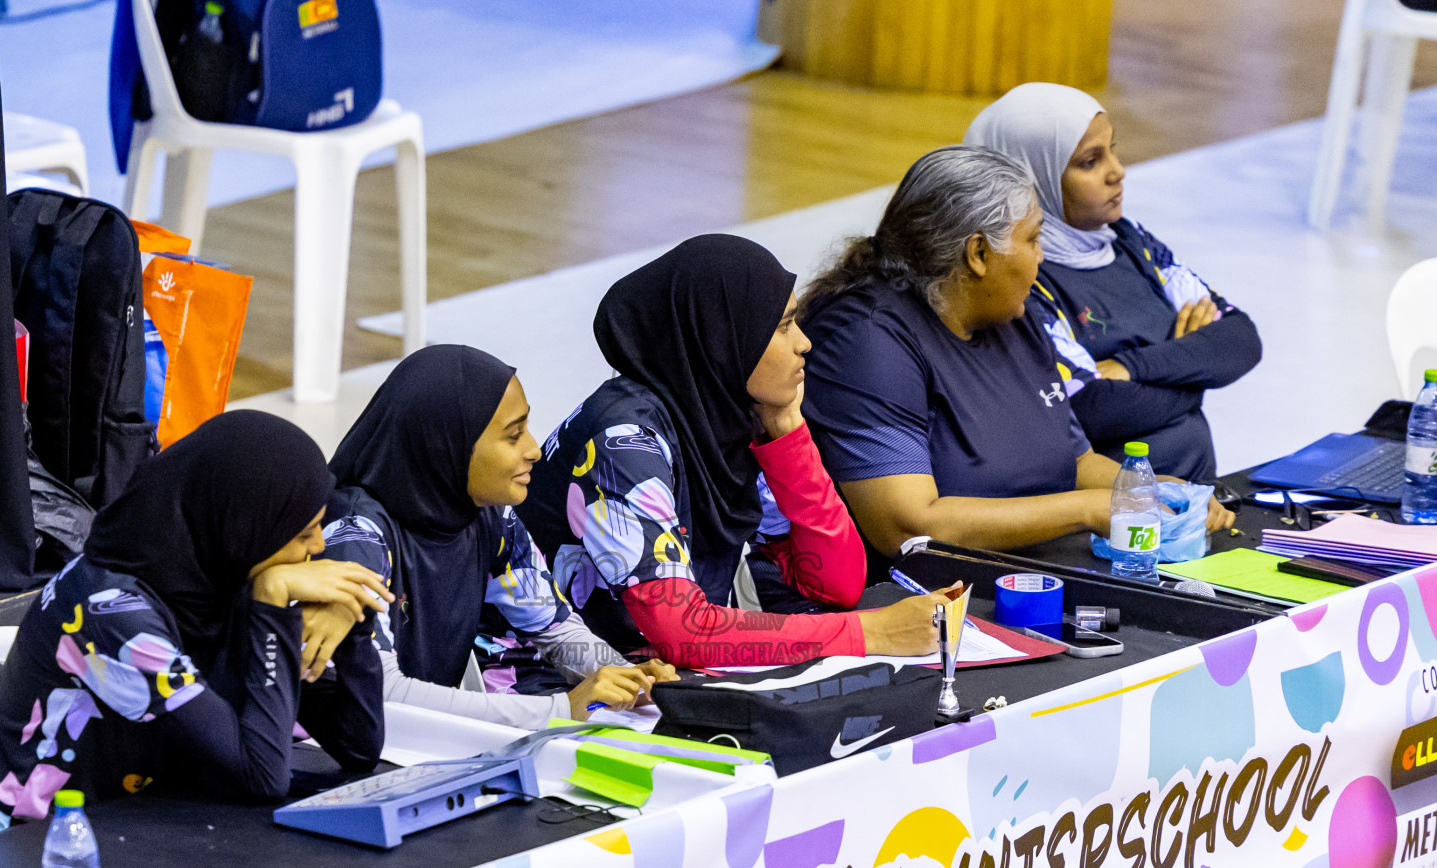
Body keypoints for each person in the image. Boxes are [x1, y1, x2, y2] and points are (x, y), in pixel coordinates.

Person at [519, 233, 952, 670]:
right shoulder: (624, 440)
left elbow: (836, 583)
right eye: (783, 327)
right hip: (548, 684)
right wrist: (872, 633)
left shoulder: (728, 420)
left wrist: (789, 435)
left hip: (648, 678)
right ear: (722, 338)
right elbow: (685, 634)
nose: (805, 343)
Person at [800, 147, 1234, 568]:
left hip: (1028, 573)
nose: (1041, 258)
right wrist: (1088, 509)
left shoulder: (1013, 316)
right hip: (915, 602)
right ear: (979, 254)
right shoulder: (865, 339)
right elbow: (909, 527)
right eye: (1033, 239)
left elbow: (1077, 462)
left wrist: (1142, 490)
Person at [0, 412, 394, 836]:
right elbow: (263, 776)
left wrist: (350, 616)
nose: (318, 549)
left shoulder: (225, 574)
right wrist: (273, 604)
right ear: (244, 527)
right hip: (41, 858)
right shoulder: (112, 613)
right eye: (303, 534)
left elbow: (358, 747)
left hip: (151, 829)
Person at [317, 345, 673, 729]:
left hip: (421, 740)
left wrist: (625, 676)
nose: (534, 450)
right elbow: (383, 690)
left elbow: (553, 628)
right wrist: (560, 709)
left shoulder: (490, 515)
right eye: (513, 435)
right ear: (447, 444)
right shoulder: (355, 533)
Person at [964, 82, 1261, 481]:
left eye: (1112, 150)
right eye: (1090, 161)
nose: (1117, 171)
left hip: (1189, 504)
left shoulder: (1129, 238)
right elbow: (1089, 409)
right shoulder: (1024, 276)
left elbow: (1240, 339)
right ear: (1032, 179)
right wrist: (1193, 368)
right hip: (1101, 519)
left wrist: (1128, 366)